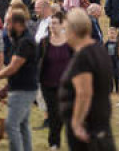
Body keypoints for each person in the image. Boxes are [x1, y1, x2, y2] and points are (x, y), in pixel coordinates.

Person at [60, 8, 116, 151]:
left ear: (73, 30)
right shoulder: (98, 48)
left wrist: (77, 123)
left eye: (65, 29)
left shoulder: (83, 56)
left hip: (88, 123)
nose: (64, 34)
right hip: (100, 116)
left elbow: (84, 92)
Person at [0, 10, 39, 151]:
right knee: (22, 125)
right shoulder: (19, 39)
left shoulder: (26, 42)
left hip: (23, 90)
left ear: (18, 24)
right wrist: (6, 88)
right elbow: (18, 70)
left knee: (11, 125)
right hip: (22, 88)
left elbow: (13, 67)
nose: (5, 26)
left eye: (8, 23)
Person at [39, 12, 73, 150]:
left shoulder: (70, 42)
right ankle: (54, 142)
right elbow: (38, 61)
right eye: (50, 23)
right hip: (48, 84)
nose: (52, 26)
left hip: (66, 85)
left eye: (55, 23)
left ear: (63, 24)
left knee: (65, 114)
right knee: (53, 113)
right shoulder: (44, 42)